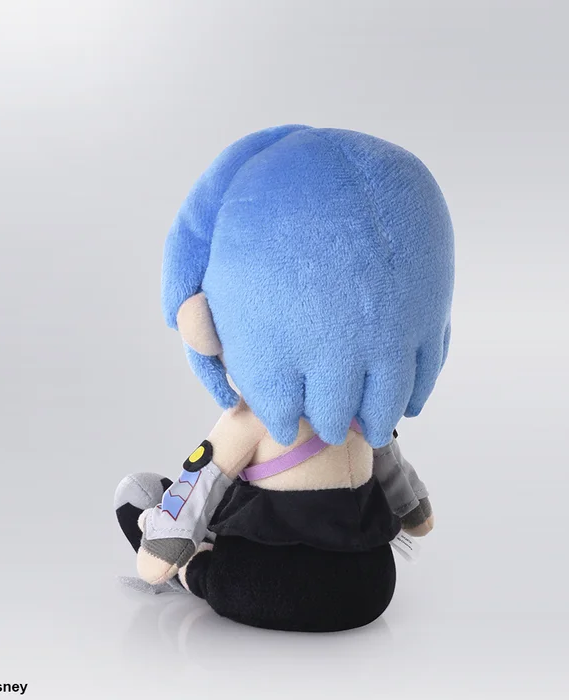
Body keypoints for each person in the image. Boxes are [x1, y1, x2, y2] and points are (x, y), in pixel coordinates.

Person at [115, 125, 454, 632]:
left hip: (258, 580)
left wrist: (160, 553)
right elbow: (395, 475)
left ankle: (192, 571)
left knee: (199, 549)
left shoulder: (246, 421)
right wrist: (414, 512)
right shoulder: (366, 412)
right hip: (369, 586)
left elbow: (203, 480)